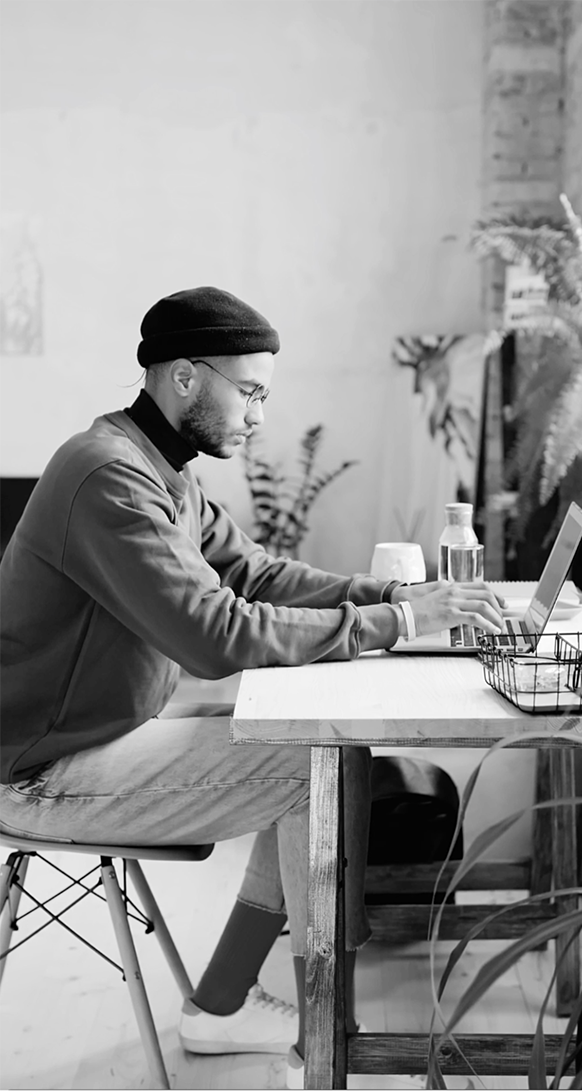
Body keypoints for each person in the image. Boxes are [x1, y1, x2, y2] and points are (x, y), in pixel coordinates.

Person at [0, 286, 506, 1089]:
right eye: (250, 391)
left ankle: (229, 1003)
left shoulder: (161, 469)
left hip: (97, 739)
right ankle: (323, 1032)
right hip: (41, 772)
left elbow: (256, 574)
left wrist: (393, 598)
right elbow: (216, 635)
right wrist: (400, 622)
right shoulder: (109, 477)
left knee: (310, 752)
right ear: (186, 378)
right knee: (312, 765)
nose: (260, 415)